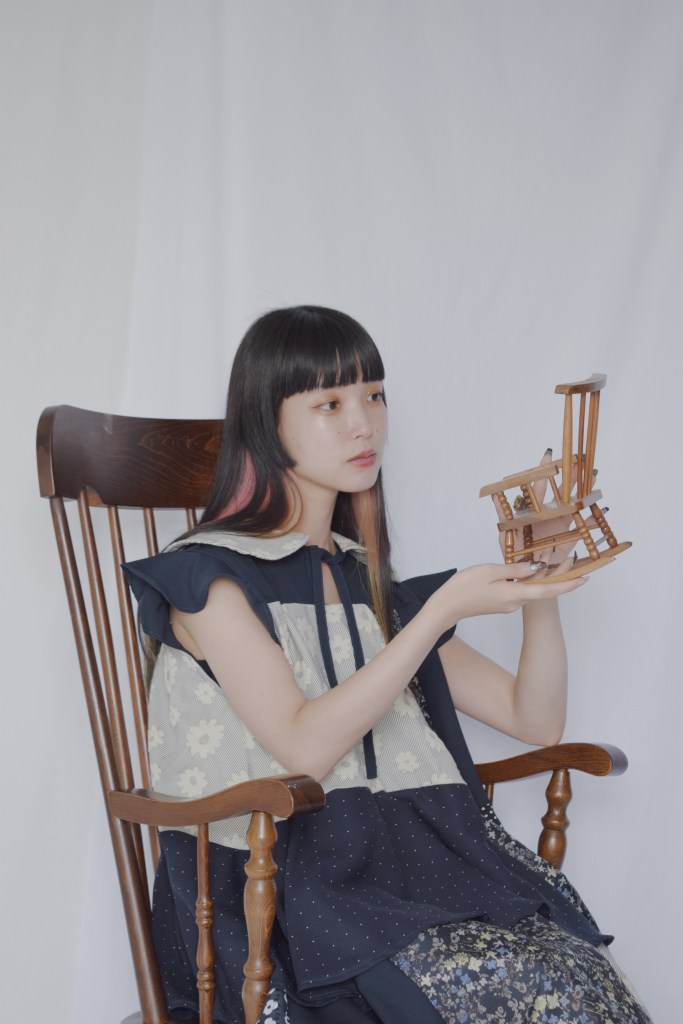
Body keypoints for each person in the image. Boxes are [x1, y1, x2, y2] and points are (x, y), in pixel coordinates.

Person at [124, 306, 651, 1024]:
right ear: (266, 422)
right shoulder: (209, 579)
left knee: (571, 971)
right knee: (501, 983)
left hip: (413, 869)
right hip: (287, 894)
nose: (363, 424)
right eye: (329, 404)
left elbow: (534, 718)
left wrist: (540, 588)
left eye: (374, 395)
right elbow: (303, 746)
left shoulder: (369, 584)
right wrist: (437, 613)